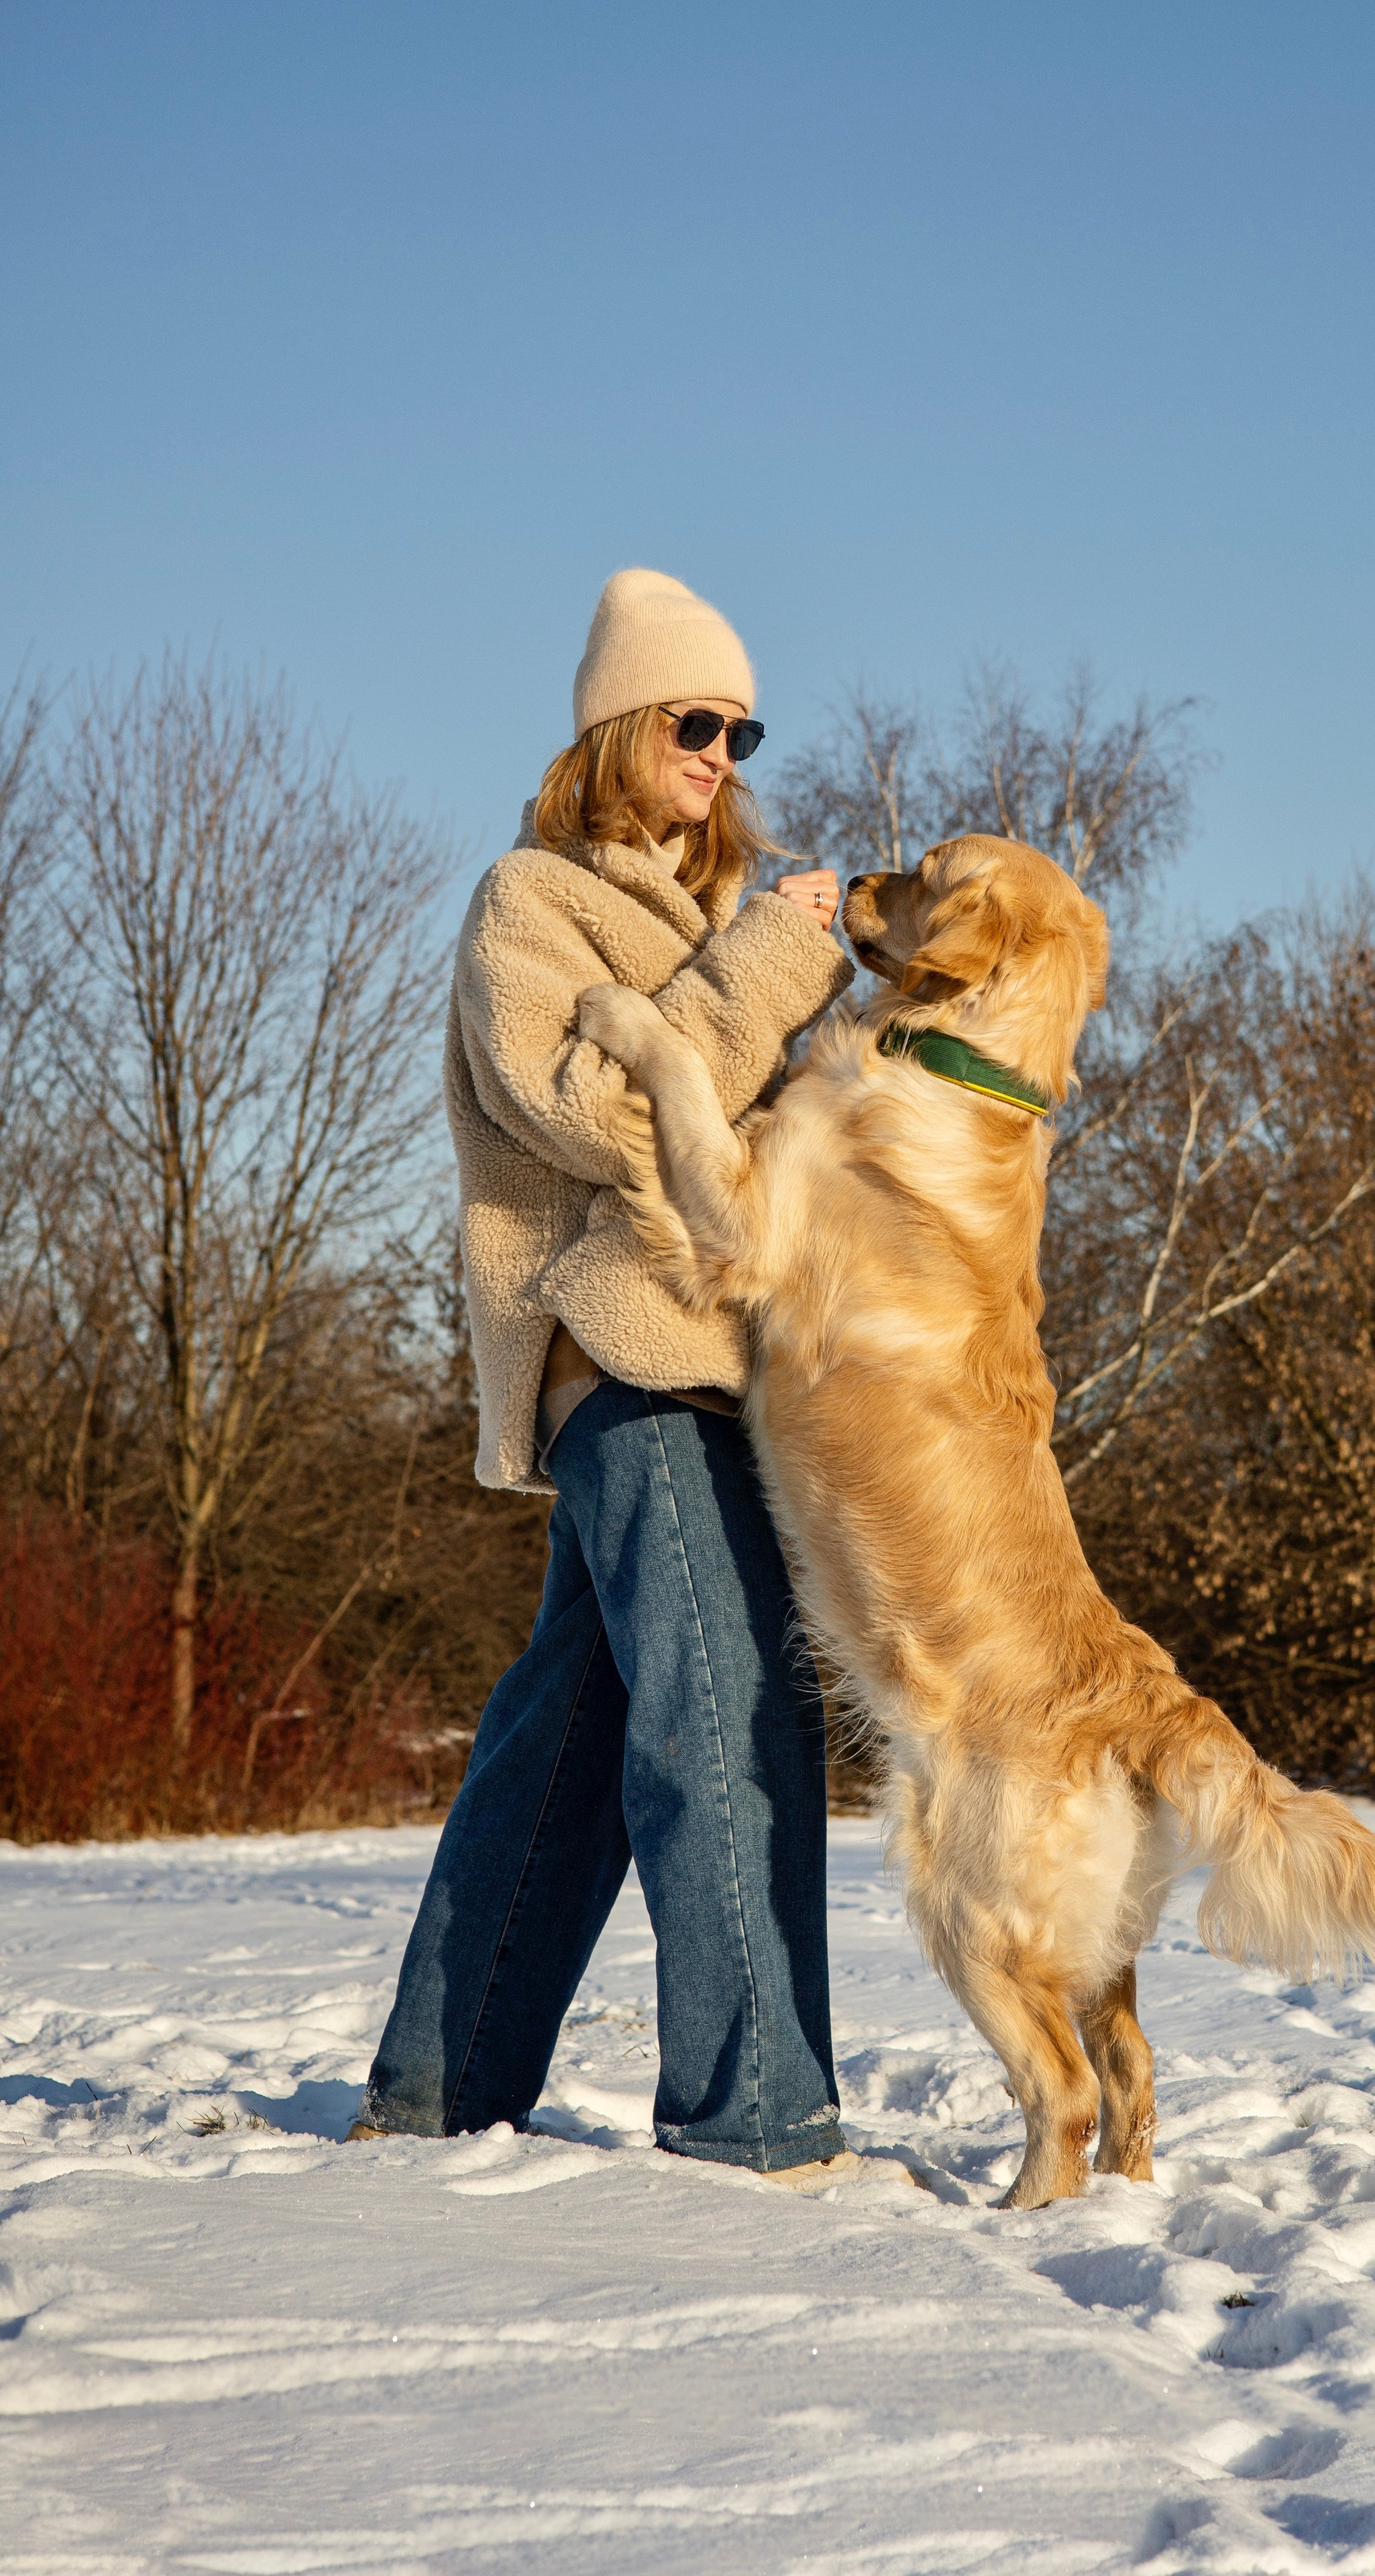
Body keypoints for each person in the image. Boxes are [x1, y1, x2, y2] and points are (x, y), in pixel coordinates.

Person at [353, 569, 859, 2180]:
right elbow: (604, 1114)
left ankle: (440, 2082)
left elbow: (763, 1142)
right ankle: (756, 2120)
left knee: (565, 1747)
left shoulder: (710, 921)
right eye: (692, 721)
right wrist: (773, 973)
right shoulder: (533, 904)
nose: (720, 752)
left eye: (739, 728)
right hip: (633, 1367)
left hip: (727, 1374)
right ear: (616, 730)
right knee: (725, 1735)